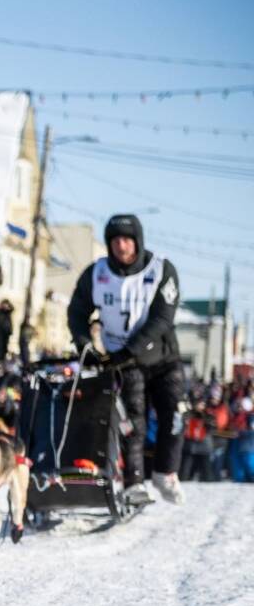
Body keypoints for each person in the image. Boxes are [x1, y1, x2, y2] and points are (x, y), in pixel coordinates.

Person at [68, 214, 185, 505]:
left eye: (127, 239)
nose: (121, 246)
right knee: (132, 423)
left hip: (162, 358)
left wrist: (130, 349)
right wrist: (86, 346)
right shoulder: (96, 273)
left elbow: (162, 318)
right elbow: (76, 312)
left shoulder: (161, 270)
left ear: (138, 241)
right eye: (115, 240)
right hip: (123, 364)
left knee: (175, 416)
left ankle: (164, 472)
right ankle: (134, 482)